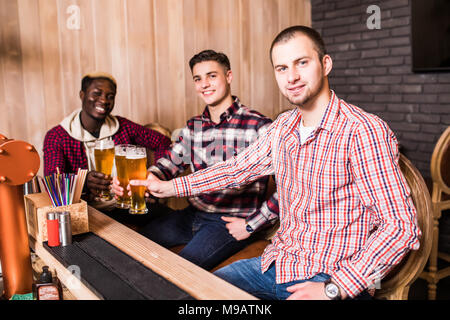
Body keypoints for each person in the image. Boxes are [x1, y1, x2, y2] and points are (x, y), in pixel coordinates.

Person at [130, 26, 421, 300]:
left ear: (326, 64)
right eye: (282, 68)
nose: (291, 76)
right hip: (277, 264)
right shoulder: (283, 127)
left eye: (302, 63)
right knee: (194, 293)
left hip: (330, 273)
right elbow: (234, 170)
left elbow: (401, 226)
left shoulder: (362, 130)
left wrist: (336, 287)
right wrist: (168, 188)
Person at [113, 50, 279, 270]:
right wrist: (146, 179)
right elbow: (170, 163)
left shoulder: (259, 125)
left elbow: (289, 186)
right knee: (131, 246)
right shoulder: (194, 126)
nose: (204, 84)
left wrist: (252, 224)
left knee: (180, 270)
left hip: (228, 222)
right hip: (193, 214)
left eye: (212, 76)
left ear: (228, 76)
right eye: (198, 78)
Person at [43, 71, 171, 202]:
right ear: (82, 95)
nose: (104, 100)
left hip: (125, 205)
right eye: (97, 93)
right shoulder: (57, 136)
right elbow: (54, 185)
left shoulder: (123, 127)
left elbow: (164, 142)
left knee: (173, 218)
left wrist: (154, 174)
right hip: (87, 211)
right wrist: (83, 182)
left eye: (110, 96)